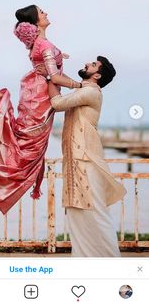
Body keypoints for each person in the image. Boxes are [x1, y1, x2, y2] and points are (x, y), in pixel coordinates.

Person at [0, 4, 83, 215]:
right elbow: (55, 77)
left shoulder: (37, 44)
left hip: (32, 93)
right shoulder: (44, 45)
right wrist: (81, 86)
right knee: (28, 151)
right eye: (42, 12)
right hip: (41, 97)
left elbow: (46, 63)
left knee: (22, 141)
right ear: (35, 21)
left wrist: (61, 56)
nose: (46, 13)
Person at [49, 56, 127, 257]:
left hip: (86, 159)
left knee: (95, 213)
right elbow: (64, 82)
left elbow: (57, 103)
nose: (87, 64)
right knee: (78, 214)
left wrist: (50, 77)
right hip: (75, 159)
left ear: (97, 75)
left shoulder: (91, 93)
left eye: (92, 65)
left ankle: (111, 263)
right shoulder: (83, 90)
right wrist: (53, 71)